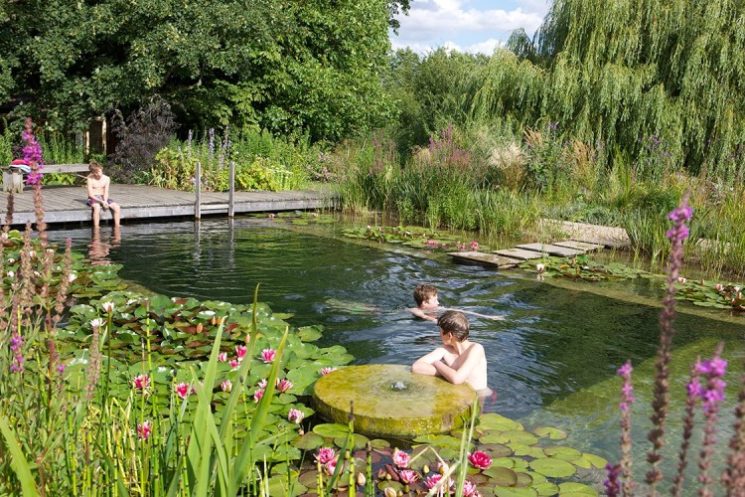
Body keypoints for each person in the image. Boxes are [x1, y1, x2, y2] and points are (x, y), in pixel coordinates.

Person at [412, 310, 493, 397]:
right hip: (462, 397)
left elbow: (456, 379)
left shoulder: (476, 349)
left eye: (441, 331)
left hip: (481, 398)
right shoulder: (445, 350)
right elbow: (416, 367)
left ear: (449, 335)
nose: (439, 334)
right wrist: (447, 373)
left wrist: (437, 363)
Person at [408, 283, 505, 322]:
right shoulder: (415, 310)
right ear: (424, 303)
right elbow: (423, 316)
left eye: (437, 299)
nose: (438, 302)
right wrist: (436, 321)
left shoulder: (438, 308)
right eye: (434, 300)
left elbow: (460, 310)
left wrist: (487, 317)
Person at [86, 161, 121, 228]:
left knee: (117, 207)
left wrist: (105, 201)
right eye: (97, 172)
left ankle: (117, 225)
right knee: (97, 207)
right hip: (93, 198)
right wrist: (101, 202)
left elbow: (106, 192)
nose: (99, 173)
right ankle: (96, 226)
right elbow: (90, 194)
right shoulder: (90, 179)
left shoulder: (107, 178)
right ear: (93, 173)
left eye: (100, 171)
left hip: (103, 197)